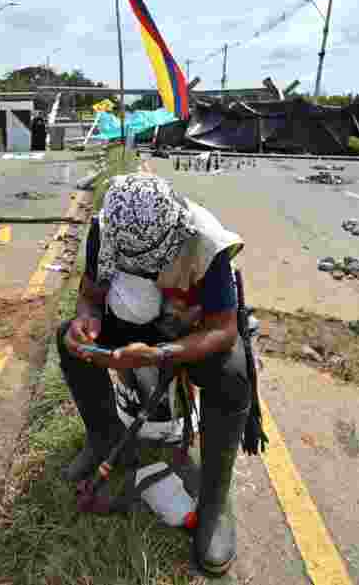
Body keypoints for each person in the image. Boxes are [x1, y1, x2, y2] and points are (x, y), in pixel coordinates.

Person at [57, 172, 250, 575]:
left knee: (233, 373)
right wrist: (86, 322)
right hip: (132, 320)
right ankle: (106, 439)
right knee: (67, 343)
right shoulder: (108, 227)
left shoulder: (204, 243)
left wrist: (159, 354)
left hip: (187, 329)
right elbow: (91, 295)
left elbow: (223, 328)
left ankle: (214, 500)